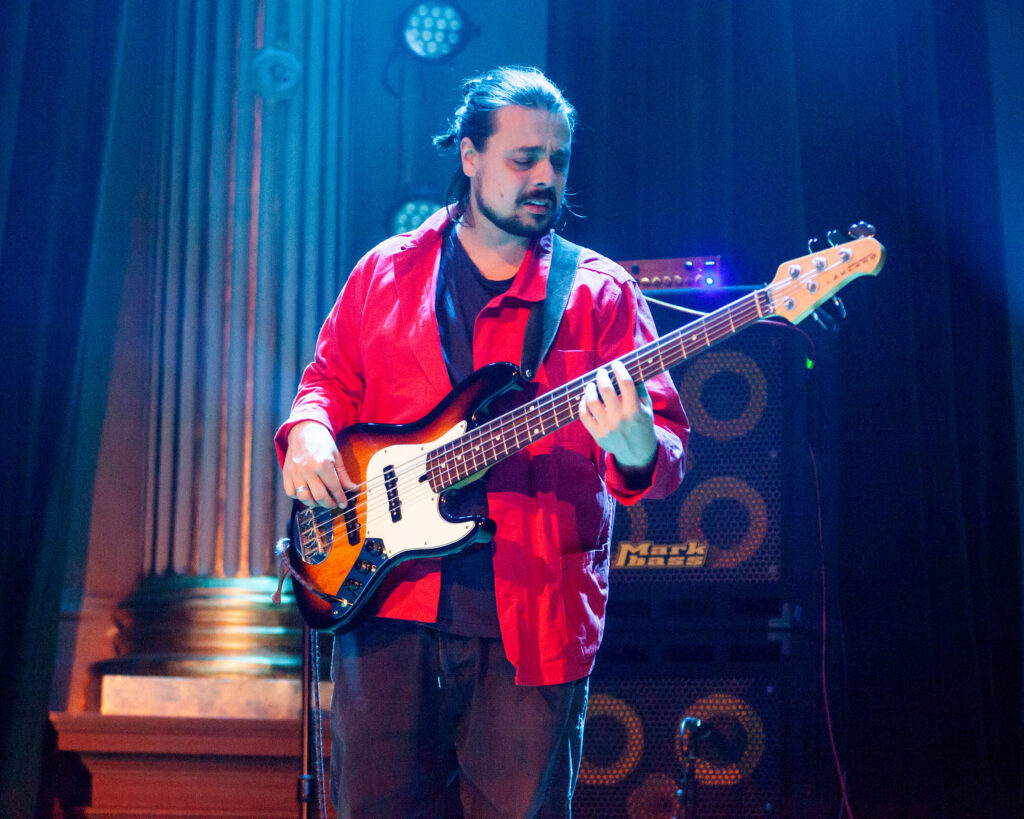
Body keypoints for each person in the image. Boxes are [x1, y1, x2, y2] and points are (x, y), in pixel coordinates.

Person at [275, 66, 688, 818]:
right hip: (387, 603)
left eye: (558, 159)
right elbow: (327, 381)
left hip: (534, 620)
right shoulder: (386, 271)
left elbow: (662, 452)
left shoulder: (600, 293)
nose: (546, 177)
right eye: (523, 158)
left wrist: (636, 445)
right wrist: (306, 430)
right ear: (469, 155)